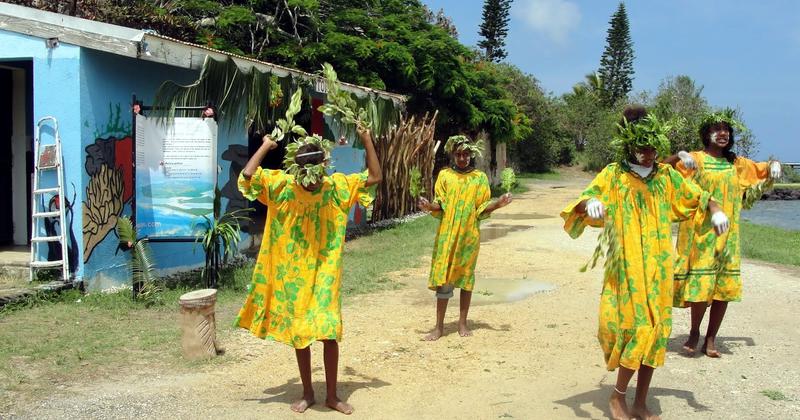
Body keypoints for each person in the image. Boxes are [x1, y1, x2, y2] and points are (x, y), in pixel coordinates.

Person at [561, 106, 728, 420]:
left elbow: (699, 196)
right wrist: (590, 203)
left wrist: (716, 210)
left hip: (659, 268)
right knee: (634, 329)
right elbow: (581, 202)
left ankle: (639, 402)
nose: (649, 154)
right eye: (642, 148)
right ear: (628, 143)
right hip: (626, 269)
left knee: (655, 331)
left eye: (653, 148)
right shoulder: (614, 175)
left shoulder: (665, 176)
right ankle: (617, 396)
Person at [235, 125, 381, 415]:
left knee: (328, 331)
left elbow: (375, 177)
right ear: (298, 170)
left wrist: (366, 138)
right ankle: (307, 393)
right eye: (306, 171)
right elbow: (248, 176)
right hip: (294, 275)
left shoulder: (336, 188)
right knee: (301, 333)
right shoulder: (282, 188)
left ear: (324, 167)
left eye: (316, 170)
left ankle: (332, 396)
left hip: (325, 272)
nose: (312, 179)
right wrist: (266, 145)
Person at [664, 109, 782, 358]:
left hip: (727, 234)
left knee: (722, 288)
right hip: (700, 233)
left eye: (726, 129)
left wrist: (775, 165)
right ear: (706, 134)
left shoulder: (736, 164)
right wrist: (680, 154)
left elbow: (764, 169)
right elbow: (662, 169)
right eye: (716, 129)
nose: (722, 133)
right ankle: (694, 332)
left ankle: (711, 338)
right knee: (701, 285)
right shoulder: (695, 159)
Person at [418, 135, 512, 341]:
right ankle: (439, 327)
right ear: (453, 154)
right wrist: (428, 206)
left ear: (471, 155)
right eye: (458, 154)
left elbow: (481, 207)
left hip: (469, 236)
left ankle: (462, 323)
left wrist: (498, 204)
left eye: (466, 154)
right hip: (447, 234)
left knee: (466, 277)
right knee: (444, 277)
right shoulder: (445, 176)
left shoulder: (479, 178)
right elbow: (440, 204)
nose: (462, 158)